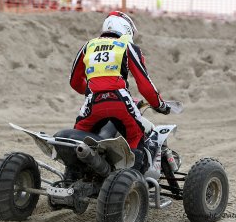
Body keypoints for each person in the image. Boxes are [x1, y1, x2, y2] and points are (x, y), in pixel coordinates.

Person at [69, 11, 170, 170]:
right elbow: (145, 85)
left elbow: (74, 82)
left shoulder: (88, 46)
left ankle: (73, 175)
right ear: (126, 29)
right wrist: (160, 105)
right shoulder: (128, 46)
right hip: (120, 100)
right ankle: (133, 182)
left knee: (78, 138)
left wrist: (93, 91)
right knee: (136, 135)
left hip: (92, 103)